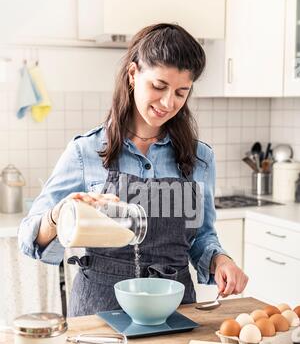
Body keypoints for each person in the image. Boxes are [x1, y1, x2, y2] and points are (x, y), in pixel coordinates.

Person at [18, 23, 248, 316]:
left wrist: (221, 260)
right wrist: (58, 214)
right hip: (99, 313)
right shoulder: (85, 152)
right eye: (159, 86)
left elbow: (201, 236)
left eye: (181, 92)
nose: (168, 102)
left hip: (175, 310)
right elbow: (29, 236)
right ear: (133, 74)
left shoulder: (199, 157)